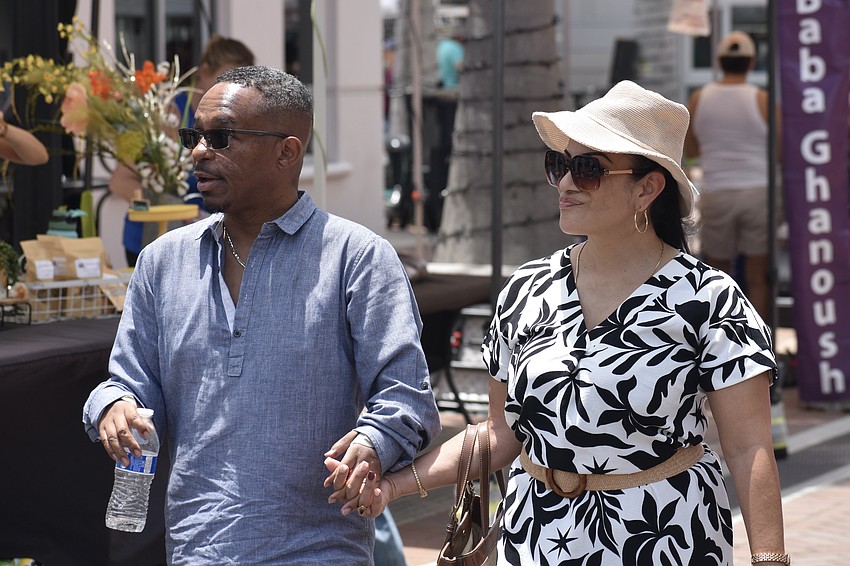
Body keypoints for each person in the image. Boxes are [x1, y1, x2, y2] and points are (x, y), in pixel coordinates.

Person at [327, 81, 788, 565]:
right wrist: (395, 484)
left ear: (647, 188)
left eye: (588, 169)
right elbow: (502, 432)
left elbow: (749, 448)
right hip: (538, 539)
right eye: (559, 165)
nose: (566, 183)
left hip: (667, 537)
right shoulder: (526, 289)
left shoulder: (709, 298)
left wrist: (770, 559)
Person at [82, 66, 441, 564]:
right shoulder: (163, 262)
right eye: (196, 135)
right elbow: (130, 385)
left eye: (222, 136)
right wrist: (112, 406)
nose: (199, 151)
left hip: (319, 549)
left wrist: (373, 442)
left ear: (287, 151)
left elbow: (408, 398)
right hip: (196, 547)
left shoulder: (356, 258)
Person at [110, 35, 255, 266]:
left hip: (206, 240)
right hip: (152, 239)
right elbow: (120, 181)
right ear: (204, 71)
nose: (230, 90)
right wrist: (169, 206)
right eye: (225, 79)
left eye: (239, 84)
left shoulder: (233, 124)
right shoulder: (164, 114)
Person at [684, 30, 776, 320]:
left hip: (717, 192)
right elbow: (782, 151)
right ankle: (762, 346)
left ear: (719, 61)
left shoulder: (699, 98)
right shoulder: (763, 100)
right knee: (758, 275)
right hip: (758, 193)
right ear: (751, 62)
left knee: (718, 276)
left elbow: (691, 147)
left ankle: (722, 343)